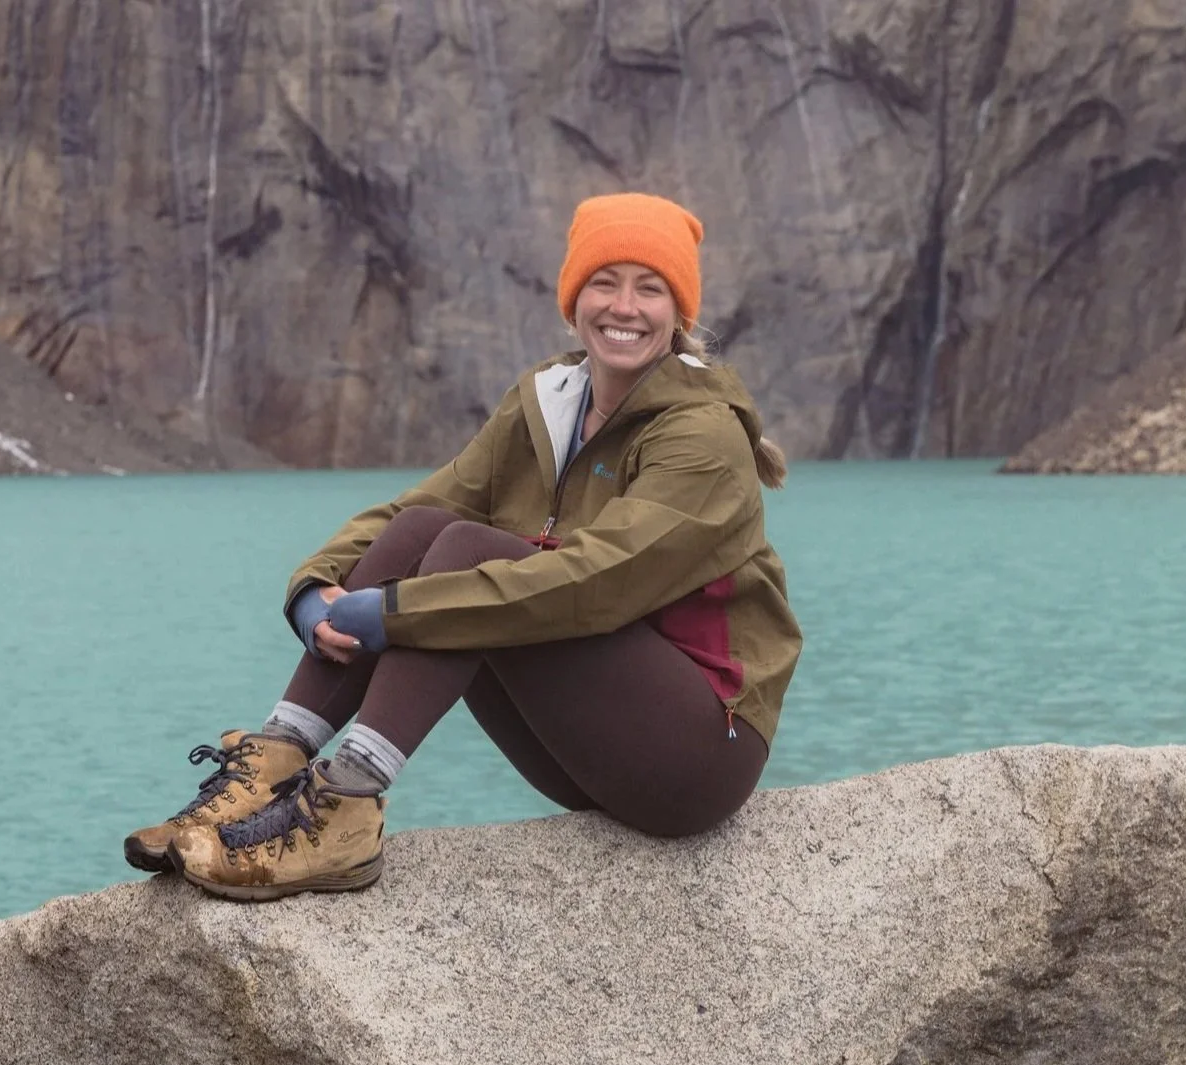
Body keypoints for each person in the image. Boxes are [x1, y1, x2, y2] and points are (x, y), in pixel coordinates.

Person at [123, 192, 804, 901]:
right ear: (573, 298)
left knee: (466, 557)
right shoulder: (550, 400)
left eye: (649, 288)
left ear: (678, 311)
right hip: (583, 753)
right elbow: (424, 506)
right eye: (604, 281)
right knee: (431, 534)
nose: (623, 307)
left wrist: (394, 612)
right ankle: (272, 764)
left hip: (695, 756)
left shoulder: (703, 435)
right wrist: (315, 584)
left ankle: (348, 802)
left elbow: (597, 582)